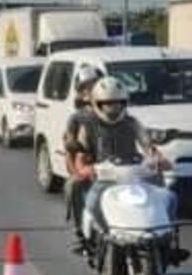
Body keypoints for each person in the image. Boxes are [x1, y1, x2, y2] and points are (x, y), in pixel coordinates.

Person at [64, 76, 169, 251]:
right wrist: (83, 169)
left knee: (166, 195)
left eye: (118, 103)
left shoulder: (132, 122)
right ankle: (82, 234)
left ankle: (165, 235)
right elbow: (80, 155)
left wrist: (159, 159)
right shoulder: (86, 124)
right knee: (79, 190)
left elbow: (147, 145)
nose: (113, 108)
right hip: (102, 176)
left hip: (133, 173)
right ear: (97, 103)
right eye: (108, 104)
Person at [63, 65, 104, 249]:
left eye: (94, 85)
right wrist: (77, 172)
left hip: (118, 168)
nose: (90, 90)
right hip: (89, 169)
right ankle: (81, 232)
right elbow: (70, 151)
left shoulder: (119, 110)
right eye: (86, 87)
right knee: (73, 186)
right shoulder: (77, 118)